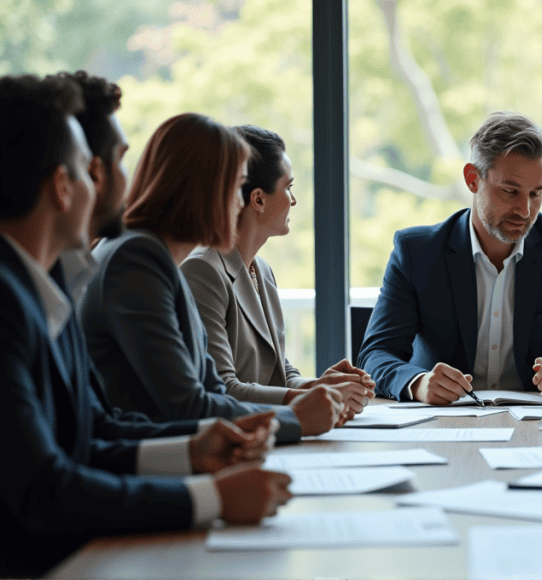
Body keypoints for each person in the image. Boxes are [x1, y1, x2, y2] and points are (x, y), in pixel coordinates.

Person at [0, 73, 291, 578]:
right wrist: (208, 497)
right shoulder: (14, 300)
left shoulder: (47, 286)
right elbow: (45, 489)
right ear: (64, 186)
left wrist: (192, 451)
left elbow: (91, 435)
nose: (112, 181)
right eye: (99, 168)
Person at [82, 113, 346, 442]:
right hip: (144, 462)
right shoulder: (138, 259)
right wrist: (294, 419)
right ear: (205, 190)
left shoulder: (151, 255)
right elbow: (187, 404)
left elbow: (213, 389)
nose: (240, 203)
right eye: (236, 187)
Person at [358, 111, 542, 404]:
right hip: (442, 422)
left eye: (535, 194)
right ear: (473, 179)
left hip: (539, 424)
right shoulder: (417, 252)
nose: (524, 210)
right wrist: (419, 383)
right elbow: (375, 355)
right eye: (510, 191)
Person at [181, 125, 373, 417]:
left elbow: (280, 371)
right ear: (258, 199)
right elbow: (223, 389)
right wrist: (309, 397)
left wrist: (320, 386)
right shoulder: (202, 271)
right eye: (288, 187)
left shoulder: (263, 270)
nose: (293, 200)